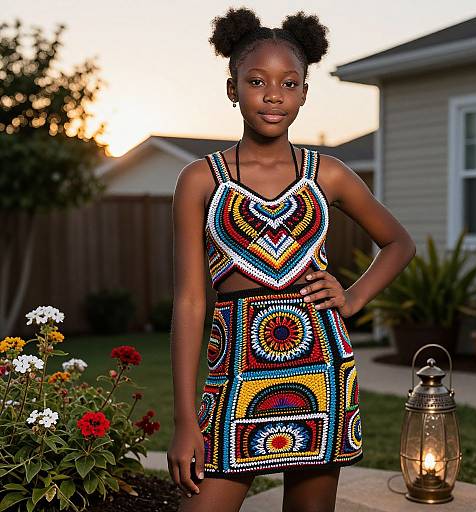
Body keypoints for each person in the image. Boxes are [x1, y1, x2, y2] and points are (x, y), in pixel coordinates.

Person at [168, 7, 416, 512]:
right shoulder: (200, 180)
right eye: (257, 81)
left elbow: (399, 243)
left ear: (305, 91)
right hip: (234, 366)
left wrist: (352, 296)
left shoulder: (330, 174)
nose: (274, 94)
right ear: (232, 88)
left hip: (320, 365)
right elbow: (192, 301)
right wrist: (184, 419)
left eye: (290, 82)